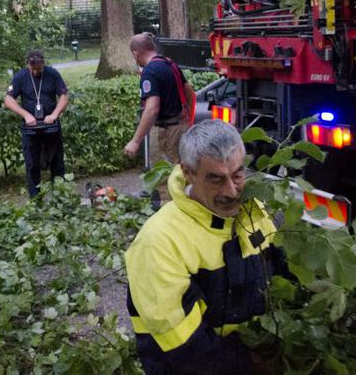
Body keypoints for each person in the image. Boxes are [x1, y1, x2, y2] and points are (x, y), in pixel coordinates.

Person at [124, 120, 287, 374]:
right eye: (216, 179)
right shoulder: (159, 242)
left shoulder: (253, 213)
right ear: (188, 172)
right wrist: (253, 365)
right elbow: (189, 351)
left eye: (237, 175)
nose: (231, 191)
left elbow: (281, 278)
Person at [4, 49, 69, 198]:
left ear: (43, 64)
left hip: (51, 127)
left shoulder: (52, 74)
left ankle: (60, 200)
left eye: (38, 69)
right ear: (28, 65)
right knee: (32, 165)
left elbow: (64, 96)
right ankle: (35, 201)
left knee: (57, 164)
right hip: (31, 129)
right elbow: (8, 99)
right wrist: (26, 115)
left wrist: (55, 114)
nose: (35, 72)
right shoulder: (20, 76)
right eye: (32, 69)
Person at [123, 32, 194, 165]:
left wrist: (135, 141)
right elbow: (190, 93)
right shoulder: (170, 64)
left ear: (135, 53)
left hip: (165, 133)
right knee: (182, 172)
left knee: (163, 173)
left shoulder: (150, 71)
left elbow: (152, 109)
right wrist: (187, 118)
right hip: (181, 129)